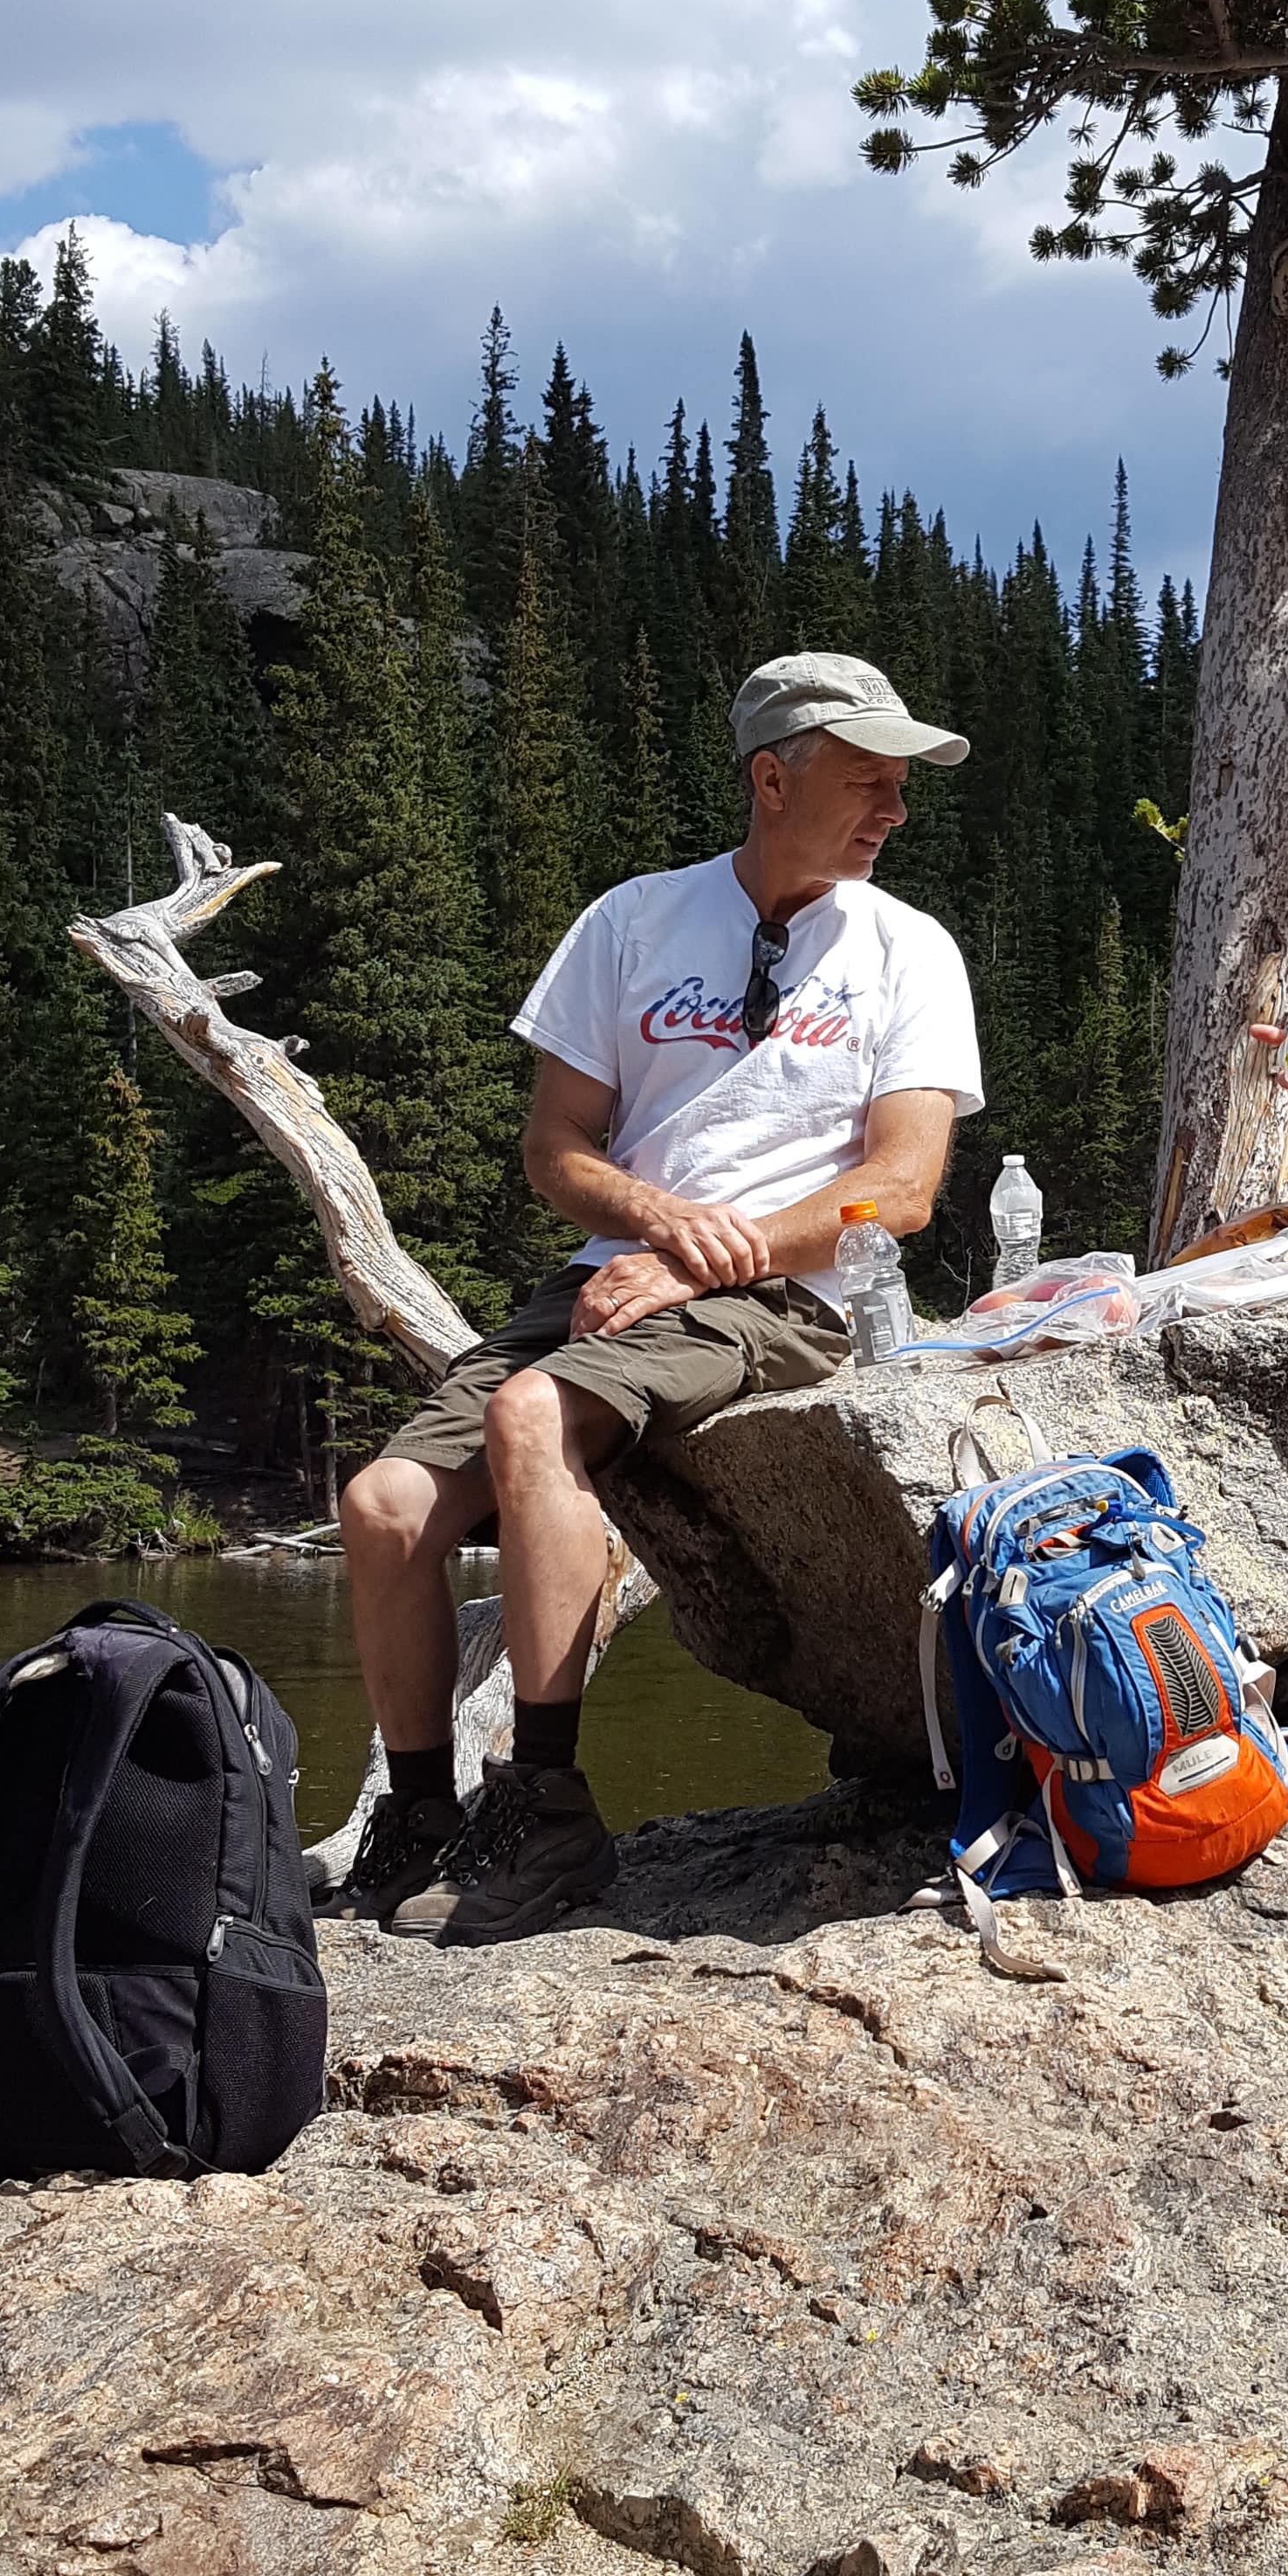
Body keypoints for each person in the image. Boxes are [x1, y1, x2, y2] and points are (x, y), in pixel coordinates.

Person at [335, 649, 981, 1944]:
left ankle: (548, 1808)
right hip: (611, 1277)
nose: (895, 811)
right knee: (383, 1504)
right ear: (770, 779)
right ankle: (418, 1814)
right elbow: (555, 1149)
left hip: (792, 1294)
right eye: (868, 781)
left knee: (529, 1415)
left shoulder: (908, 949)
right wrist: (650, 1221)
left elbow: (904, 1187)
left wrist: (698, 1255)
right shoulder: (634, 922)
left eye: (901, 786)